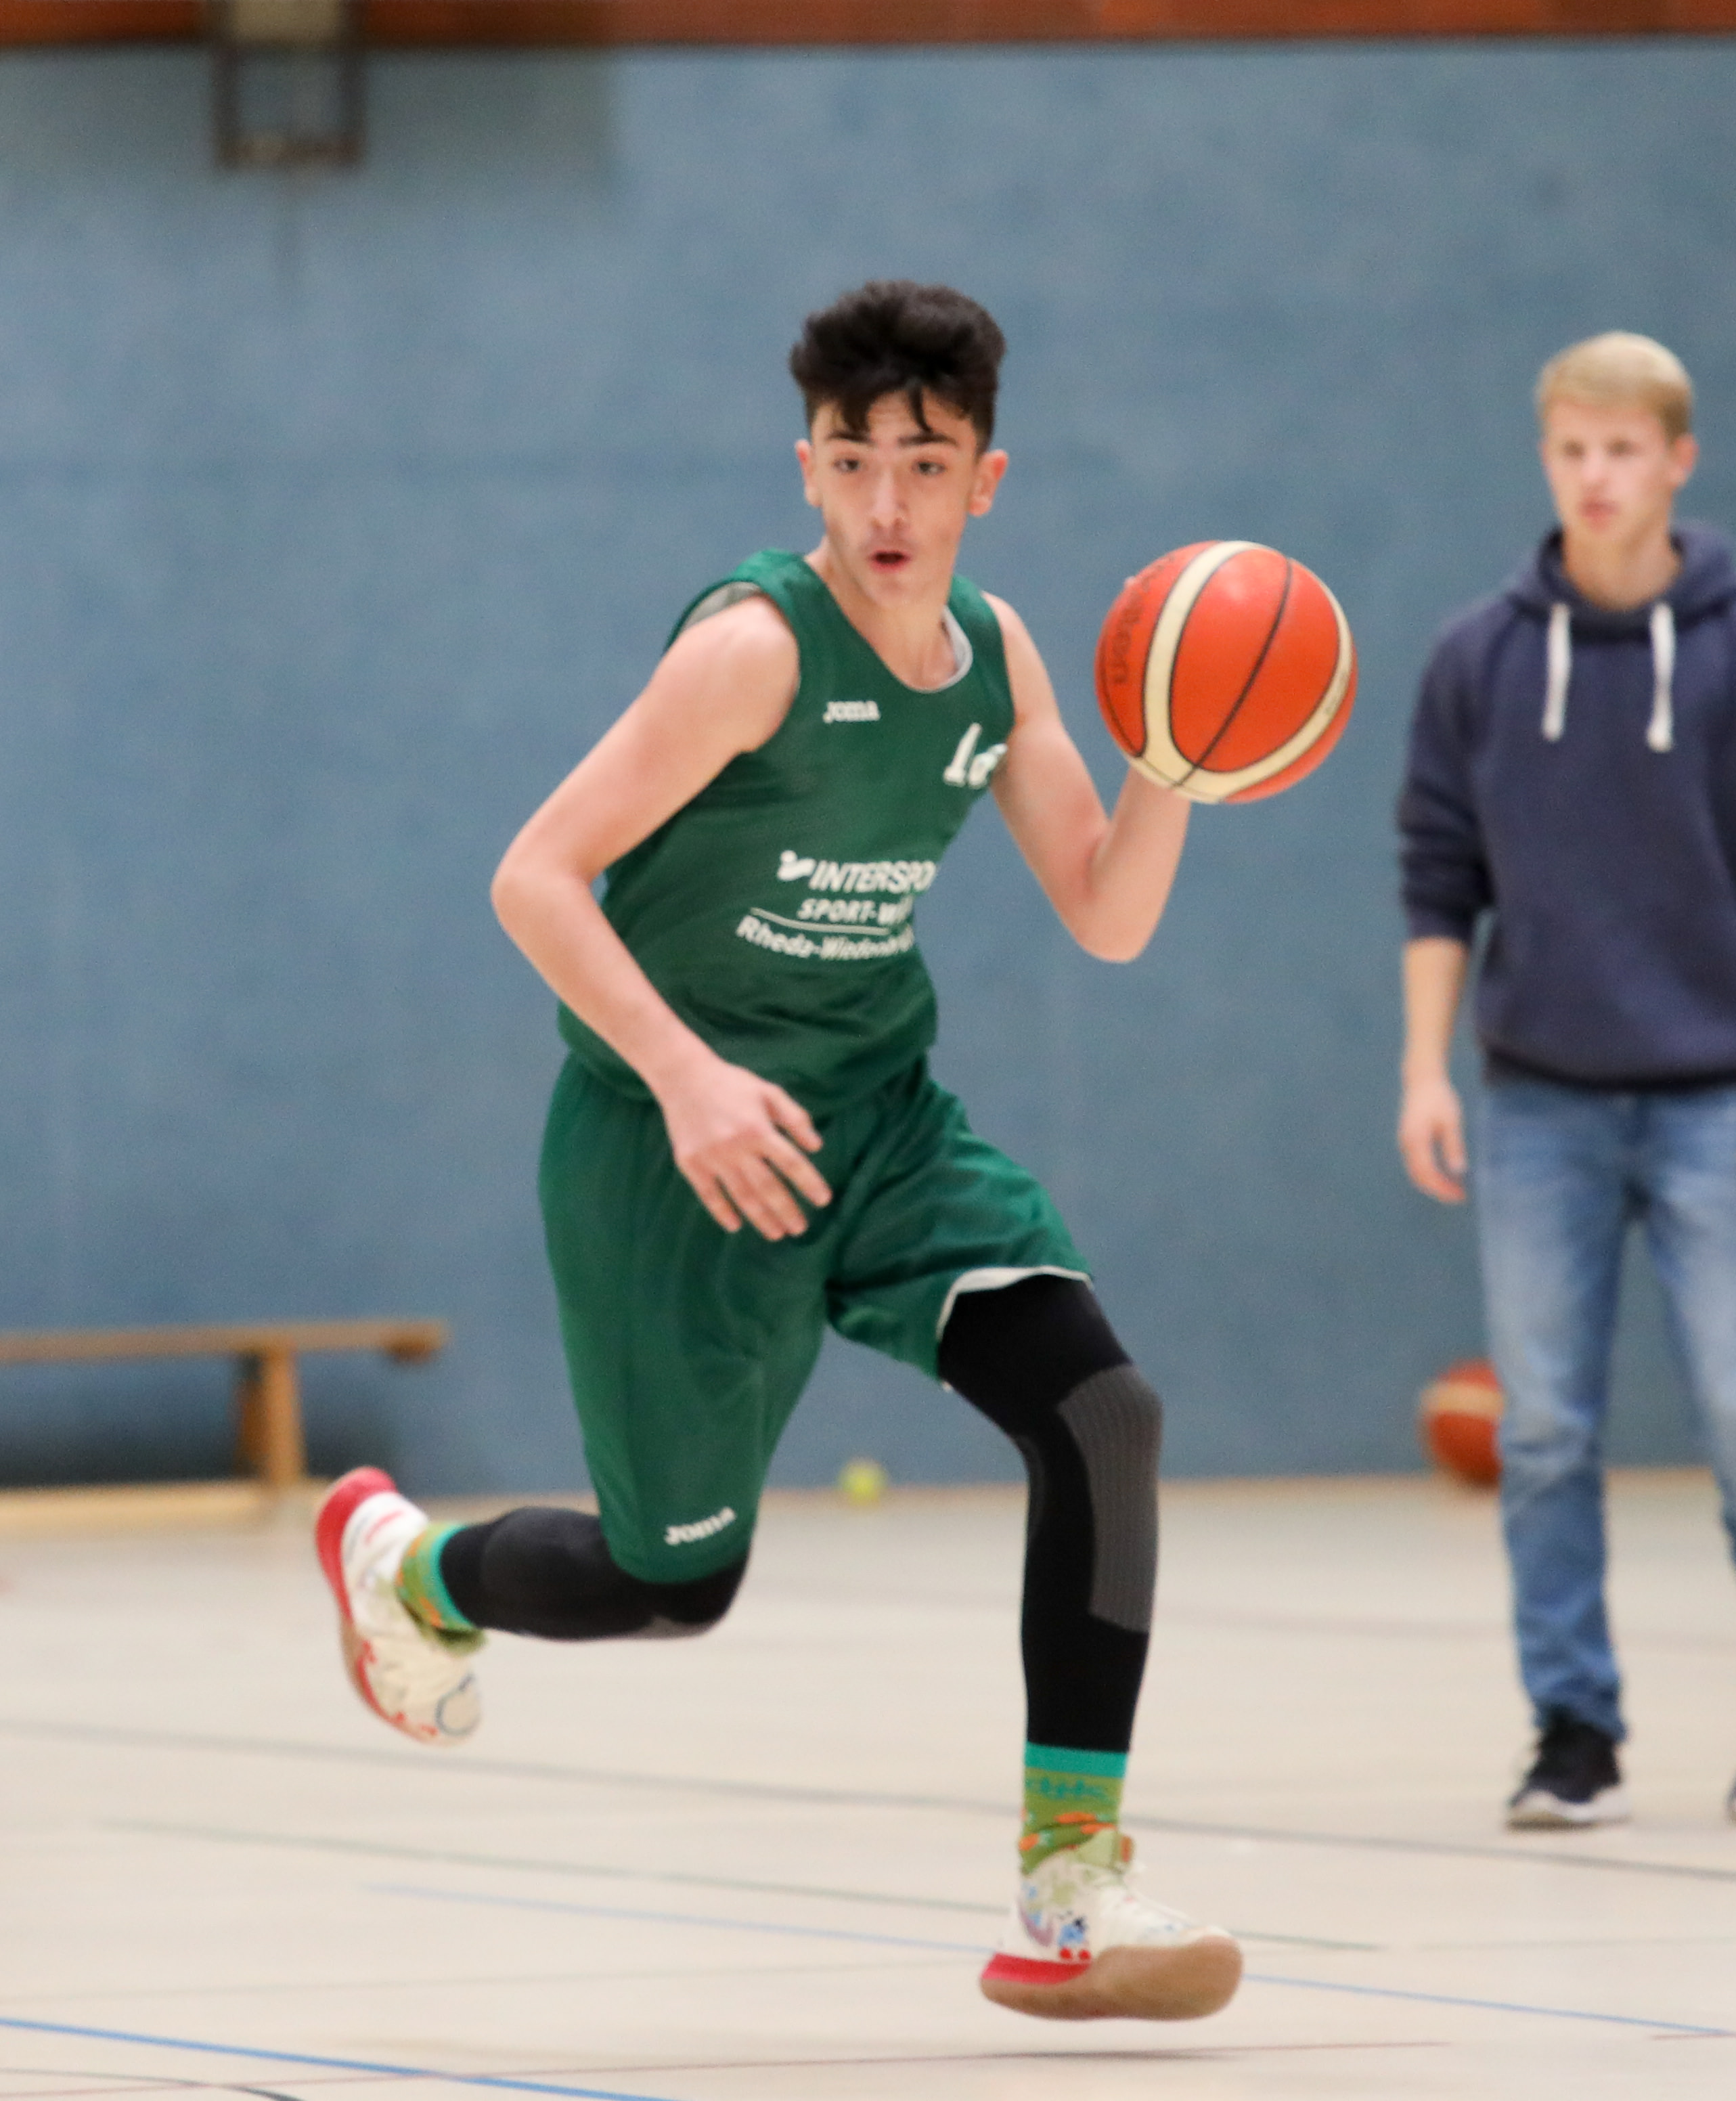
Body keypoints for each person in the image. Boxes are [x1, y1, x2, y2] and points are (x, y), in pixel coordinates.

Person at [308, 282, 1241, 2021]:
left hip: (878, 1124)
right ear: (805, 466)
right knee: (671, 1586)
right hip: (671, 1148)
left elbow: (1108, 915)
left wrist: (1174, 769)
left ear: (986, 481)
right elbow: (533, 876)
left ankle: (1070, 1888)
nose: (887, 501)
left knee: (1102, 1414)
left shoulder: (1000, 657)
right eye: (851, 458)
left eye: (926, 464)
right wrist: (683, 1076)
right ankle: (406, 1569)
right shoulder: (753, 651)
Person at [1396, 331, 1736, 1828]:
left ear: (1678, 461)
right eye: (1571, 451)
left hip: (1722, 1092)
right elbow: (1437, 874)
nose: (1595, 477)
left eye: (1622, 450)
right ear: (1547, 459)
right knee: (1541, 1430)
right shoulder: (1478, 657)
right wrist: (1425, 1070)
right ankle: (1572, 1728)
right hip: (1538, 1096)